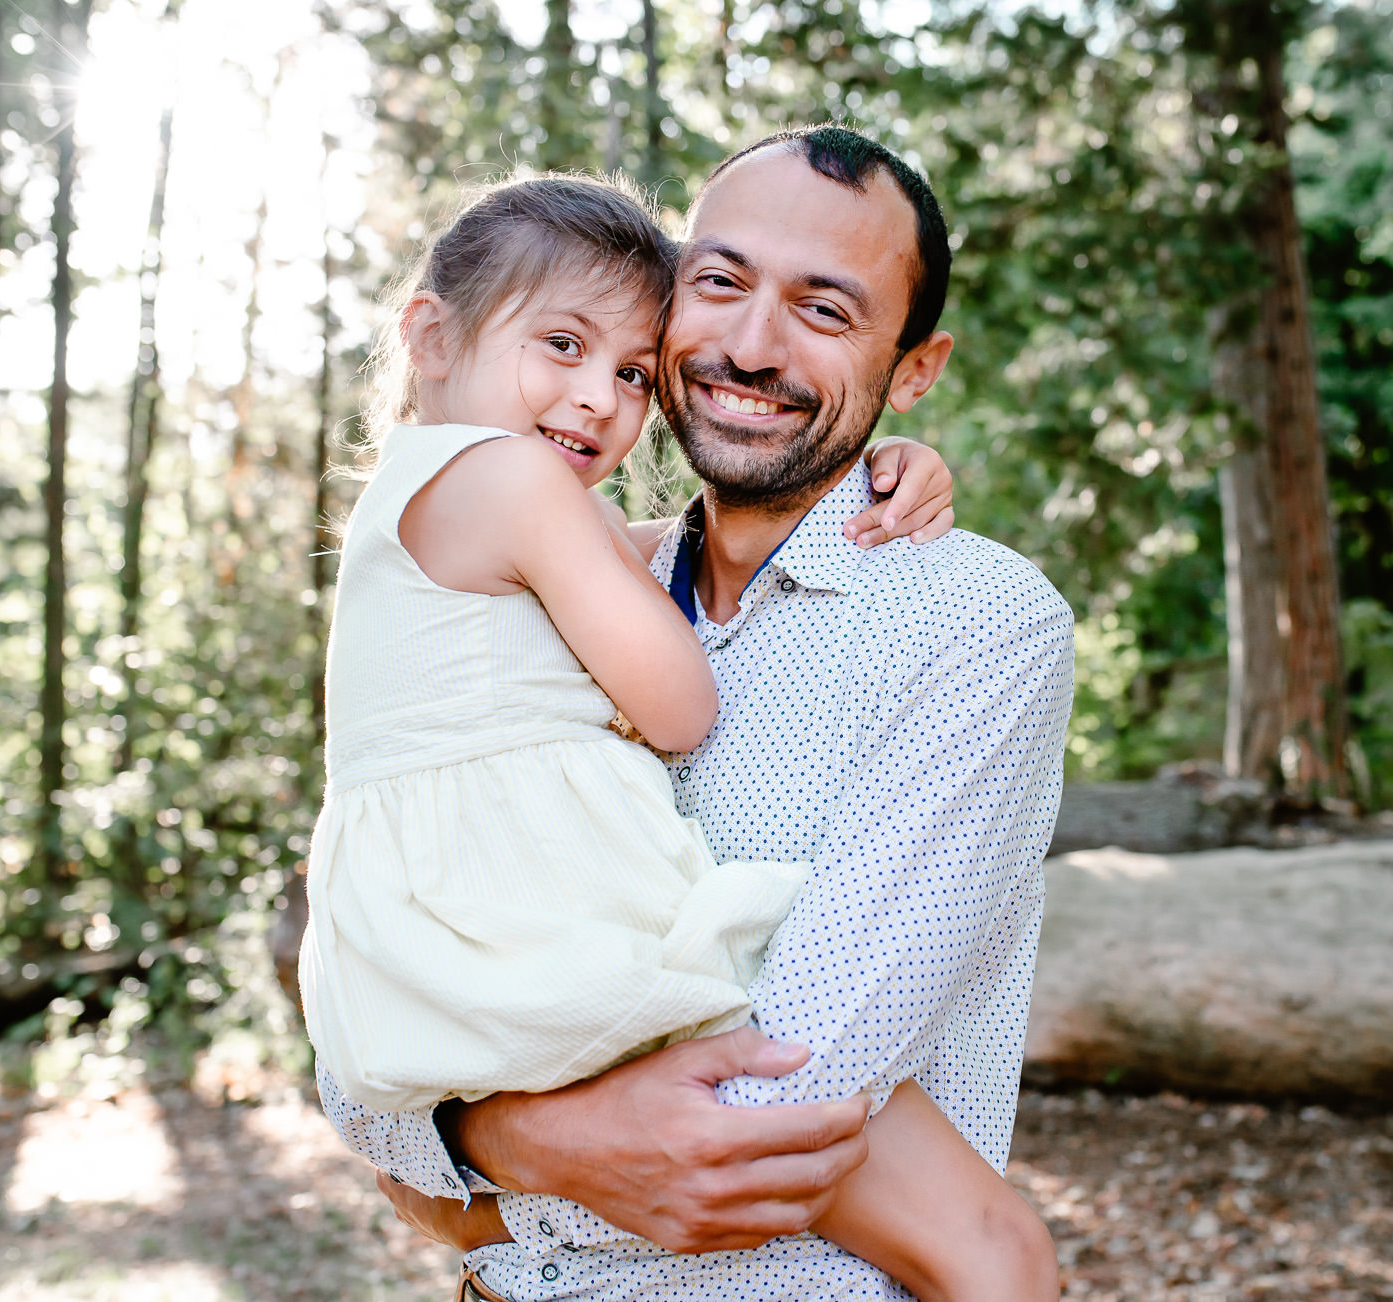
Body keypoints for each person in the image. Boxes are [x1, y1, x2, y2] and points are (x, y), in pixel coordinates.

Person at [302, 168, 1061, 1302]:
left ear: (914, 373)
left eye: (824, 309)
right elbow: (365, 1077)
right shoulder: (546, 587)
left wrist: (474, 1181)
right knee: (992, 1249)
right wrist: (457, 1159)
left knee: (998, 1258)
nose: (752, 346)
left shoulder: (970, 626)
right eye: (720, 281)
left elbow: (778, 1106)